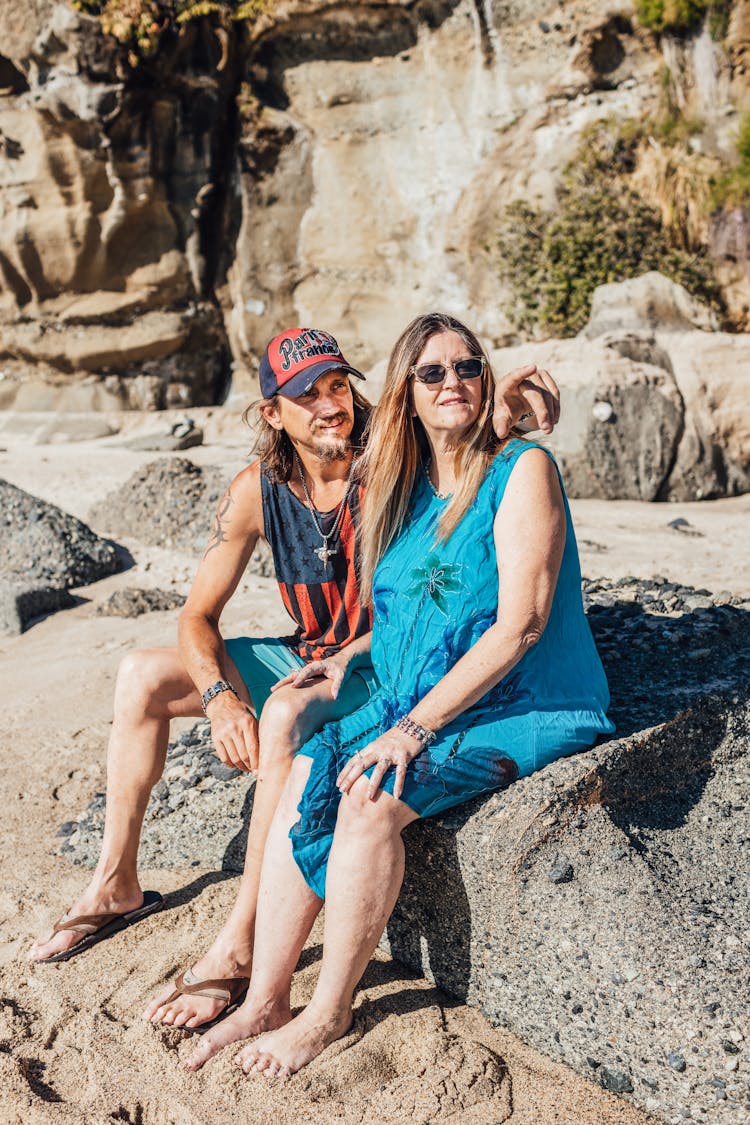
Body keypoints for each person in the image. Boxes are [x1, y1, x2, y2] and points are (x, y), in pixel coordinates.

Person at [28, 323, 560, 1033]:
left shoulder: (389, 456)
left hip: (378, 655)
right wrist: (218, 701)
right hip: (310, 650)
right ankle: (114, 882)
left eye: (336, 386)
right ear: (271, 413)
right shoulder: (257, 489)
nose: (327, 405)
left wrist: (503, 407)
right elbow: (195, 617)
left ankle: (242, 936)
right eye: (303, 395)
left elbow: (460, 448)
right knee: (141, 676)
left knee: (282, 712)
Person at [183, 312, 614, 1077]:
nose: (454, 383)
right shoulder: (402, 485)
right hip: (421, 691)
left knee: (372, 796)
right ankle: (265, 996)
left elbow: (520, 627)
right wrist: (349, 658)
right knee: (313, 765)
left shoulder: (524, 470)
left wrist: (412, 729)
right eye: (433, 373)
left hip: (522, 703)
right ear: (404, 395)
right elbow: (331, 443)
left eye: (470, 368)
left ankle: (328, 1011)